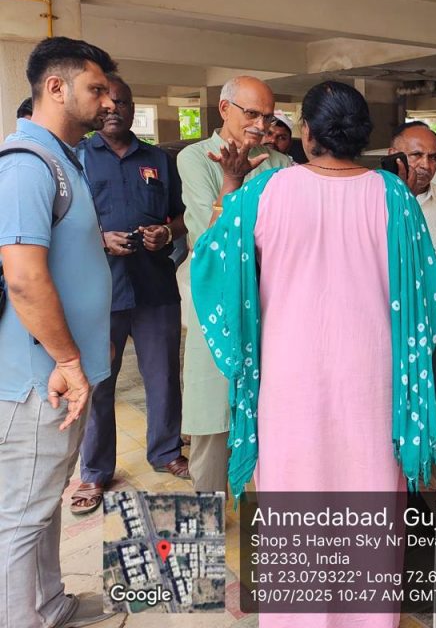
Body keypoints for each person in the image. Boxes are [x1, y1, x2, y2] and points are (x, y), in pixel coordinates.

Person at [191, 81, 436, 628]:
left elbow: (210, 266)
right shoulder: (395, 197)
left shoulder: (264, 192)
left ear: (307, 133)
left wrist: (230, 185)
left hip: (290, 387)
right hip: (373, 386)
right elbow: (428, 298)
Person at [0, 37, 118, 627]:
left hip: (61, 376)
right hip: (37, 380)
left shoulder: (64, 159)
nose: (108, 101)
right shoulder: (26, 164)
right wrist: (69, 360)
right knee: (21, 517)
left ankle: (47, 605)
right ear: (55, 87)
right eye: (96, 89)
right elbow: (23, 277)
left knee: (43, 503)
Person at [70, 75, 189, 515]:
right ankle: (94, 471)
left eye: (121, 101)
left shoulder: (158, 159)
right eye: (104, 101)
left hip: (155, 286)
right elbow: (62, 224)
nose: (112, 108)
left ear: (133, 107)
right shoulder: (78, 158)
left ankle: (166, 450)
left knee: (163, 376)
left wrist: (166, 233)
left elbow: (180, 216)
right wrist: (100, 238)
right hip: (101, 290)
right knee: (99, 383)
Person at [176, 76, 292, 493]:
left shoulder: (281, 165)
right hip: (217, 309)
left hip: (270, 308)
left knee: (270, 416)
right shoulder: (195, 158)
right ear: (225, 109)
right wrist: (231, 181)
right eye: (252, 114)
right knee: (213, 421)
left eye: (268, 117)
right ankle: (206, 513)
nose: (261, 125)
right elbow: (207, 242)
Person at [389, 120, 436, 433]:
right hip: (390, 319)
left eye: (433, 157)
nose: (426, 165)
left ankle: (432, 461)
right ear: (394, 155)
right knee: (392, 402)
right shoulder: (376, 196)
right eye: (417, 155)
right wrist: (402, 196)